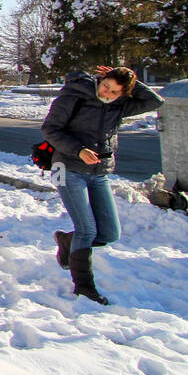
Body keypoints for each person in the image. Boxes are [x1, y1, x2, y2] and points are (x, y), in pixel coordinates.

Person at [40, 65, 163, 304]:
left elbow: (155, 101)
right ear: (101, 77)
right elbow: (50, 129)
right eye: (106, 86)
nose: (106, 93)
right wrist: (79, 150)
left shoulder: (120, 105)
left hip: (99, 172)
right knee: (87, 230)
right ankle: (84, 289)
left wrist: (132, 82)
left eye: (115, 92)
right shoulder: (74, 94)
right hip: (67, 167)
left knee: (109, 233)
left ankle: (68, 241)